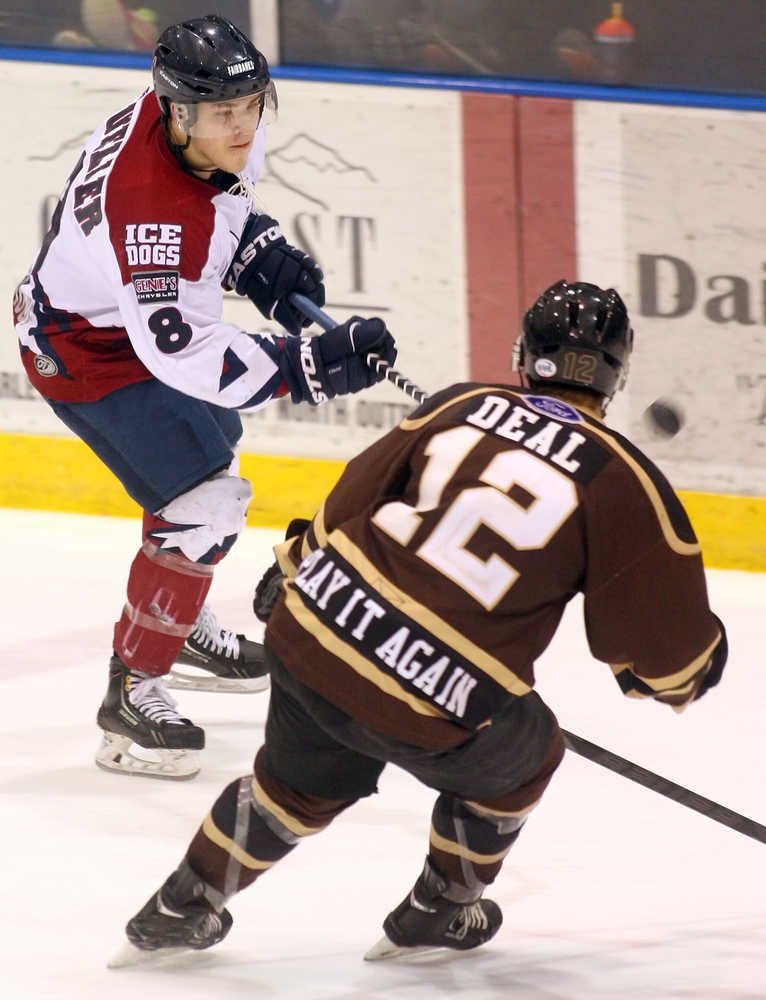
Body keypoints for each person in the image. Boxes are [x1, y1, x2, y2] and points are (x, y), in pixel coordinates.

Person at [115, 279, 727, 960]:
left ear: (525, 352)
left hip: (314, 627)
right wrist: (693, 671)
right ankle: (439, 910)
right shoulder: (627, 480)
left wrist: (293, 569)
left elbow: (351, 495)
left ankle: (181, 902)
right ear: (615, 375)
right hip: (436, 696)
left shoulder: (463, 403)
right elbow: (665, 661)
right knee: (531, 754)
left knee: (295, 785)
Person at [12, 14, 396, 780]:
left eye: (253, 104)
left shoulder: (193, 121)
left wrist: (255, 248)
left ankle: (179, 624)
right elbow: (183, 354)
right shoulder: (151, 211)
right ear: (180, 111)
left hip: (110, 324)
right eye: (224, 114)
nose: (244, 125)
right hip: (85, 355)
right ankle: (135, 687)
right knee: (206, 504)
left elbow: (220, 205)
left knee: (211, 455)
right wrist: (310, 367)